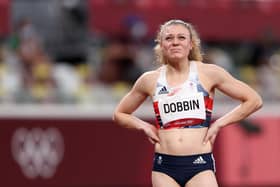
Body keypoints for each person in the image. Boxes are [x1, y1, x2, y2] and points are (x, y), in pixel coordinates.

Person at [112, 19, 262, 187]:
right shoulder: (150, 80)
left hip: (200, 166)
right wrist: (144, 126)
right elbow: (120, 113)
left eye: (181, 37)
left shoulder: (208, 73)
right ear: (161, 45)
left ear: (191, 44)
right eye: (169, 38)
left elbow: (254, 100)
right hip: (164, 167)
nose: (175, 42)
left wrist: (219, 124)